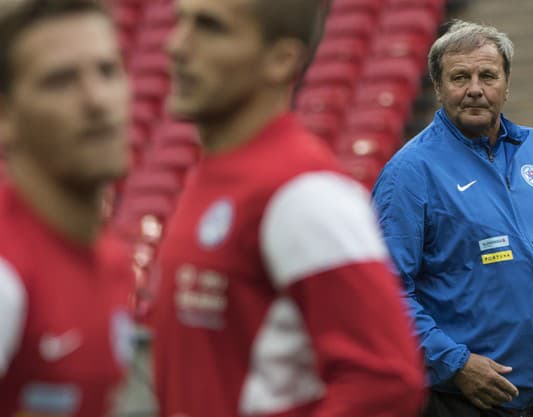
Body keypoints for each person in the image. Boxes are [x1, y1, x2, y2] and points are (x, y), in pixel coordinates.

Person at [151, 0, 426, 416]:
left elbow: (387, 380)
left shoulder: (306, 193)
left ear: (281, 61)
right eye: (179, 22)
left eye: (210, 27)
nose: (176, 45)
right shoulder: (211, 174)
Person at [372, 20, 533, 417]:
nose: (475, 88)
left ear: (506, 83)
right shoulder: (410, 172)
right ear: (437, 88)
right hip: (464, 399)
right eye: (460, 77)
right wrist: (455, 364)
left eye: (488, 75)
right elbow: (384, 293)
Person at [0, 1, 134, 415]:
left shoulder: (114, 262)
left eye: (108, 71)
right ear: (5, 116)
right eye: (60, 81)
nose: (96, 100)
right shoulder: (6, 275)